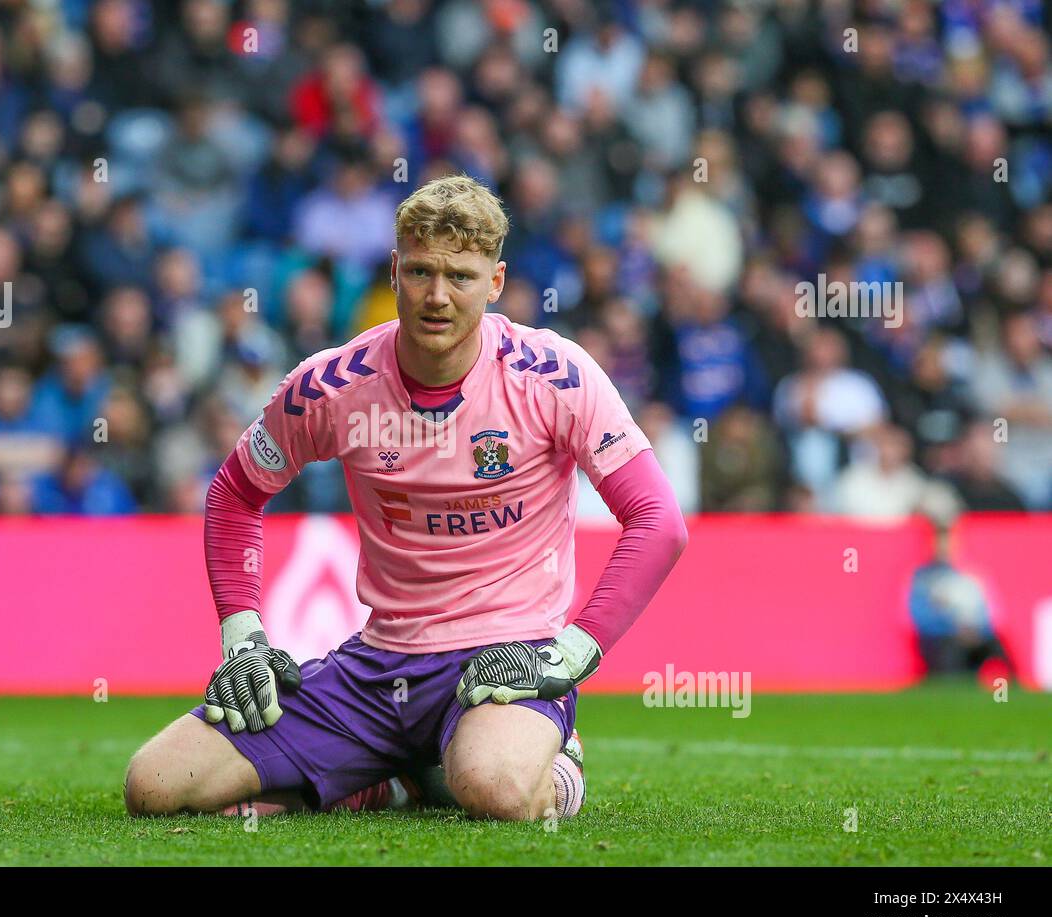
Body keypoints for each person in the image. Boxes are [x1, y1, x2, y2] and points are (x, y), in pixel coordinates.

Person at [124, 175, 688, 821]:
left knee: (497, 792)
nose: (438, 297)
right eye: (420, 271)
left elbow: (657, 521)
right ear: (393, 270)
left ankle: (554, 763)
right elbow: (233, 493)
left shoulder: (554, 375)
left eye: (461, 277)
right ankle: (388, 779)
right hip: (376, 669)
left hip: (507, 657)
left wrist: (572, 652)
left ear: (496, 283)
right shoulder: (331, 386)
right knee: (157, 786)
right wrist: (244, 637)